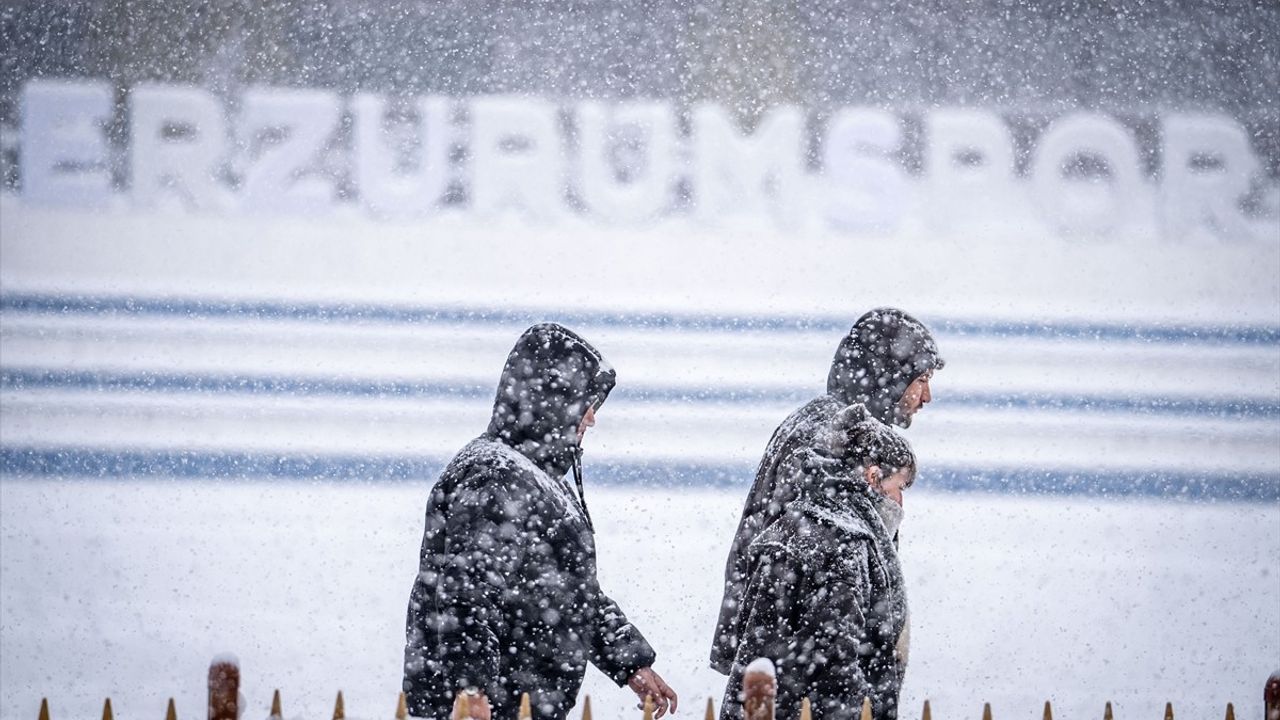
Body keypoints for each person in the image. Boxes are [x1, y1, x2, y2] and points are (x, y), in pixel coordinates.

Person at [403, 323, 679, 720]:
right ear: (554, 399)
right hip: (490, 707)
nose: (591, 419)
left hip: (522, 705)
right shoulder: (495, 475)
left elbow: (573, 592)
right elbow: (467, 591)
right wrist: (470, 691)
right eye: (587, 404)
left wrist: (632, 662)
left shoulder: (539, 480)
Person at [710, 307, 942, 675]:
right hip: (808, 667)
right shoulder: (837, 438)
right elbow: (822, 562)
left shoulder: (823, 424)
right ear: (890, 376)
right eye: (921, 379)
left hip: (782, 657)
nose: (927, 395)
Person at [718, 404, 917, 720]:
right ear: (873, 476)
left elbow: (758, 645)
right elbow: (833, 659)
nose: (901, 502)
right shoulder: (846, 543)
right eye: (900, 486)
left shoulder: (790, 525)